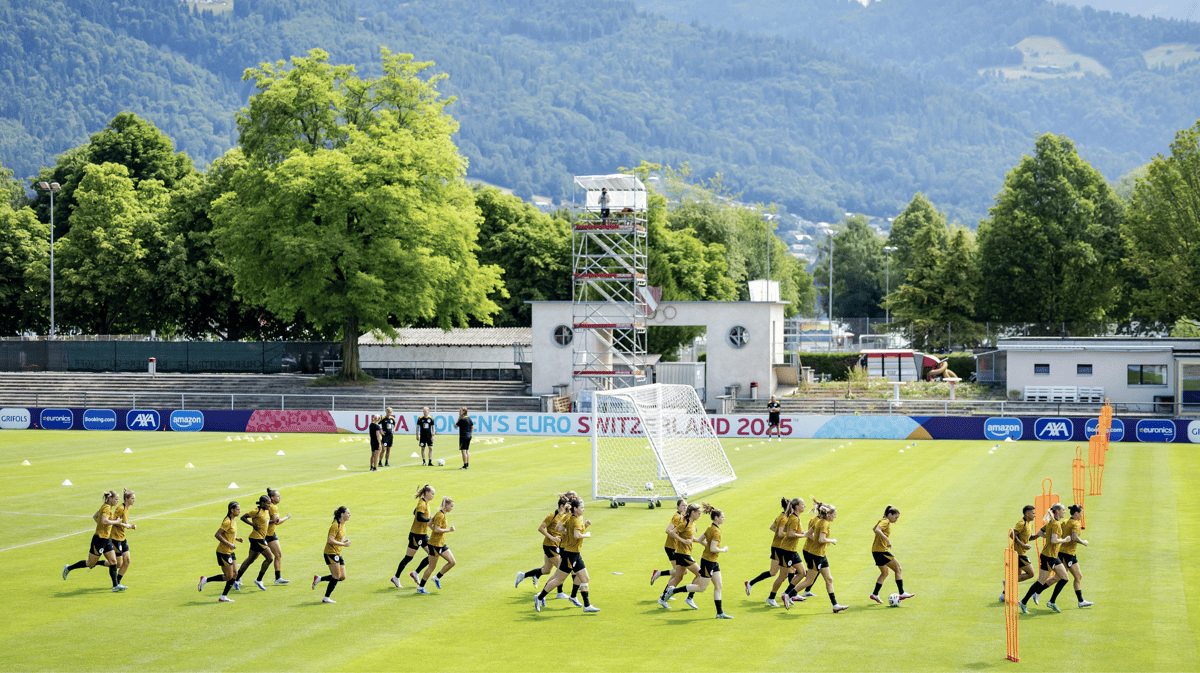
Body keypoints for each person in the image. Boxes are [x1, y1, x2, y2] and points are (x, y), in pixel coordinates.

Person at [666, 504, 732, 618]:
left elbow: (701, 540)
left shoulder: (710, 528)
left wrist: (708, 547)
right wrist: (723, 550)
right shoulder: (716, 532)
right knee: (701, 588)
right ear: (716, 518)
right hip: (708, 562)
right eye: (722, 517)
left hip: (712, 562)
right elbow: (713, 548)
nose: (724, 519)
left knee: (718, 586)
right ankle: (674, 591)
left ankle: (719, 613)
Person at [534, 498, 598, 612]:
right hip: (571, 555)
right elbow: (576, 535)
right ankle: (539, 597)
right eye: (582, 507)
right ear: (575, 508)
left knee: (584, 578)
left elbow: (561, 529)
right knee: (558, 579)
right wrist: (586, 535)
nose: (583, 509)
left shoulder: (571, 518)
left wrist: (583, 527)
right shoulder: (576, 520)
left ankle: (586, 605)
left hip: (574, 553)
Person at [785, 497, 847, 613]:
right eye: (834, 514)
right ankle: (788, 595)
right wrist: (831, 540)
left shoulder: (819, 521)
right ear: (829, 514)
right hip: (816, 555)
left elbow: (808, 534)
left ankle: (835, 605)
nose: (835, 516)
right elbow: (821, 539)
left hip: (821, 555)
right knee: (809, 580)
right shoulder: (824, 524)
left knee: (829, 579)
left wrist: (805, 535)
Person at [63, 490, 126, 591]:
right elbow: (104, 520)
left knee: (113, 561)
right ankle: (68, 568)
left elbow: (95, 516)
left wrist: (103, 526)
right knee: (90, 563)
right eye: (116, 499)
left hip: (107, 539)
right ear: (110, 499)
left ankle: (115, 586)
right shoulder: (106, 508)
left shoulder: (106, 507)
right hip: (99, 539)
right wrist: (115, 522)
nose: (117, 501)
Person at [1019, 503, 1071, 613]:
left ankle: (1051, 602)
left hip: (1053, 555)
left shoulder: (1051, 522)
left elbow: (1040, 533)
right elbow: (1054, 540)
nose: (1065, 512)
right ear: (1057, 511)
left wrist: (1048, 535)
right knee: (1040, 582)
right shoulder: (1056, 524)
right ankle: (1023, 602)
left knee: (1064, 578)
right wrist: (1064, 540)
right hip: (1048, 556)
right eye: (1063, 510)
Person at [745, 496, 794, 606]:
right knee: (778, 572)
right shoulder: (784, 519)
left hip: (779, 547)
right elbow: (780, 533)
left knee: (789, 570)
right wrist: (791, 535)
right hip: (778, 548)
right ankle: (787, 594)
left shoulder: (780, 516)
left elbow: (772, 527)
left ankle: (790, 594)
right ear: (790, 508)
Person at [657, 502, 707, 610]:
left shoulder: (693, 524)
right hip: (683, 554)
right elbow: (672, 532)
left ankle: (663, 598)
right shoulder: (685, 523)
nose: (699, 515)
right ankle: (690, 597)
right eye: (698, 513)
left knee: (678, 578)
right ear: (692, 512)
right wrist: (683, 541)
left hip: (683, 554)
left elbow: (692, 538)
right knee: (700, 574)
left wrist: (704, 544)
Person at [516, 494, 568, 591]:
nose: (568, 508)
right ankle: (558, 592)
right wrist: (552, 538)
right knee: (561, 568)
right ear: (561, 506)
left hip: (555, 545)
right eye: (566, 506)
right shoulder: (552, 515)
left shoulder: (563, 516)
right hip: (549, 545)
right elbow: (541, 528)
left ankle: (523, 575)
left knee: (546, 570)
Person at [197, 501, 243, 602]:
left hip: (230, 551)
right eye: (238, 509)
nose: (239, 511)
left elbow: (228, 535)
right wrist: (229, 544)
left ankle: (223, 596)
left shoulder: (233, 520)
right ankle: (206, 580)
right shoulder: (227, 522)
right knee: (228, 576)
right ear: (232, 510)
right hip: (223, 552)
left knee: (235, 574)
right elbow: (217, 535)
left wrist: (236, 539)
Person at [392, 484, 436, 588]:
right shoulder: (422, 503)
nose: (433, 495)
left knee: (432, 554)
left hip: (423, 534)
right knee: (408, 558)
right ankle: (396, 577)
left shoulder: (425, 503)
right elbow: (419, 517)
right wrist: (430, 520)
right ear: (426, 493)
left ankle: (416, 573)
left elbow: (415, 512)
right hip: (416, 535)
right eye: (432, 493)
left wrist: (427, 517)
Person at [868, 505, 914, 604]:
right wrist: (887, 540)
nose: (896, 520)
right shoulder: (886, 521)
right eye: (895, 517)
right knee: (898, 569)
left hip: (875, 551)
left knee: (885, 573)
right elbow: (877, 530)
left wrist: (882, 538)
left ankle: (875, 594)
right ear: (890, 514)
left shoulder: (882, 520)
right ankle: (902, 593)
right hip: (881, 552)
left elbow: (874, 529)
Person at [1053, 504, 1093, 609]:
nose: (1082, 515)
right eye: (1081, 513)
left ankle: (1081, 601)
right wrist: (1083, 542)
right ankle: (1038, 591)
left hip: (1069, 553)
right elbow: (1075, 537)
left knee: (1078, 576)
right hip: (1067, 554)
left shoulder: (1065, 521)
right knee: (1059, 577)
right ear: (1076, 513)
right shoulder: (1075, 524)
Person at [235, 495, 276, 591]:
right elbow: (243, 517)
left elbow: (264, 522)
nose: (269, 505)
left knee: (250, 559)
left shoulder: (266, 511)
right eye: (268, 503)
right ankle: (259, 579)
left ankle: (236, 579)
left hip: (259, 538)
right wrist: (253, 525)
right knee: (270, 558)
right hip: (257, 539)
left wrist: (273, 521)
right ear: (262, 503)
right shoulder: (256, 511)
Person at [417, 497, 456, 593]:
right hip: (435, 545)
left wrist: (436, 533)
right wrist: (449, 530)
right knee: (431, 567)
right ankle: (420, 587)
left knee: (452, 562)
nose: (452, 508)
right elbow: (436, 529)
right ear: (446, 505)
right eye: (451, 506)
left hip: (440, 543)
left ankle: (437, 578)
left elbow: (430, 524)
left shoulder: (440, 514)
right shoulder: (440, 515)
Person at [1000, 505, 1037, 602]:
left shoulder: (1030, 524)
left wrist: (1038, 535)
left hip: (1020, 553)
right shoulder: (1021, 523)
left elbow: (1028, 537)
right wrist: (1023, 545)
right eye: (1033, 513)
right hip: (1018, 554)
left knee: (1017, 575)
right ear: (1027, 513)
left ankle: (1004, 596)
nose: (1035, 515)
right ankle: (1008, 582)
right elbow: (1012, 534)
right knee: (1031, 573)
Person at [313, 506, 350, 603]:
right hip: (330, 553)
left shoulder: (343, 525)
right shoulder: (335, 525)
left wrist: (344, 542)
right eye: (348, 513)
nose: (349, 515)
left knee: (342, 577)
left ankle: (319, 579)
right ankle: (326, 598)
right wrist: (344, 544)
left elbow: (338, 540)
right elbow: (330, 540)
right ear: (342, 514)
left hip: (338, 553)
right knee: (336, 576)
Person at [651, 500, 687, 590]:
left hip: (676, 547)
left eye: (686, 506)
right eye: (683, 506)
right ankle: (659, 574)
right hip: (672, 547)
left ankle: (667, 592)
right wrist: (680, 538)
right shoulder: (677, 517)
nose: (685, 507)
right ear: (678, 507)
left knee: (680, 572)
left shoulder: (682, 516)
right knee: (681, 572)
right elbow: (668, 530)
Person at [110, 489, 137, 589]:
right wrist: (127, 526)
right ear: (127, 499)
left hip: (122, 537)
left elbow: (123, 522)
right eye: (132, 498)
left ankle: (118, 582)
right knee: (118, 564)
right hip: (115, 538)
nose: (134, 500)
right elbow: (114, 521)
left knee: (127, 561)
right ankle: (96, 563)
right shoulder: (120, 508)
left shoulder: (127, 508)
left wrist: (130, 526)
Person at [265, 488, 291, 584]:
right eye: (278, 496)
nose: (280, 498)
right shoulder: (273, 507)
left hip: (271, 534)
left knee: (278, 554)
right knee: (253, 557)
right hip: (263, 535)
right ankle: (237, 577)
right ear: (272, 498)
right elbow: (277, 522)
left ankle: (278, 578)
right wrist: (287, 517)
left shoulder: (273, 506)